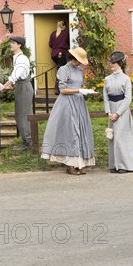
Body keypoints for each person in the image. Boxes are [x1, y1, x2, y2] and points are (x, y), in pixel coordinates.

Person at [41, 47, 97, 175]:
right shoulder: (63, 69)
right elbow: (63, 90)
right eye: (78, 60)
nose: (80, 63)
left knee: (80, 130)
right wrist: (79, 91)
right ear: (73, 58)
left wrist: (86, 91)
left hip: (79, 103)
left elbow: (79, 86)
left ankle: (79, 163)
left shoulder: (79, 70)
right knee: (71, 133)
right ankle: (70, 165)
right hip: (67, 103)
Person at [103, 51, 133, 174]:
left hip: (122, 111)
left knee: (121, 137)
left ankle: (124, 165)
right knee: (112, 137)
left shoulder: (126, 79)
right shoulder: (107, 79)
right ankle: (114, 164)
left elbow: (128, 98)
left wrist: (118, 113)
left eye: (113, 63)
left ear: (119, 63)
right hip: (112, 110)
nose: (111, 65)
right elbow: (105, 96)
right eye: (110, 62)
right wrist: (108, 112)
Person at [1, 36, 34, 151]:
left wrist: (8, 82)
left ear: (19, 45)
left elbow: (17, 72)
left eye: (13, 43)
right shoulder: (17, 57)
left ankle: (28, 142)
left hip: (24, 87)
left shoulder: (22, 58)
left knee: (23, 115)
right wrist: (12, 84)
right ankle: (27, 140)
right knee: (21, 114)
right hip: (21, 86)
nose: (11, 45)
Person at [49, 20, 70, 94]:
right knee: (61, 71)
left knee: (59, 69)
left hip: (54, 55)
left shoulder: (53, 34)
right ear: (64, 26)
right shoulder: (65, 34)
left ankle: (58, 88)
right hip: (61, 54)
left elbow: (50, 45)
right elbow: (68, 44)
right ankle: (57, 89)